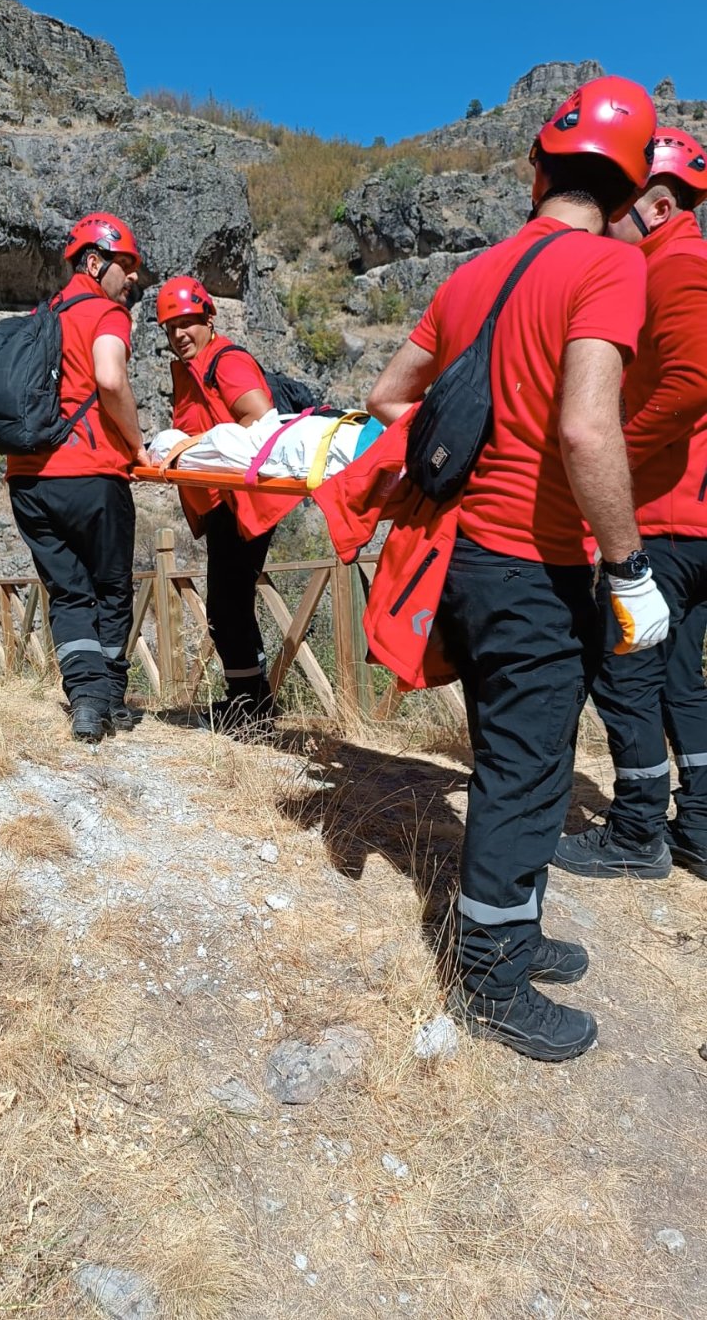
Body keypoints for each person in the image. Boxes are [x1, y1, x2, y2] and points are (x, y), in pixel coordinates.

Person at [367, 76, 669, 1062]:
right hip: (534, 569)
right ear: (628, 193)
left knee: (513, 757)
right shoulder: (611, 264)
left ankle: (514, 929)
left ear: (538, 170)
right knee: (525, 772)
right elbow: (586, 428)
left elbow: (387, 396)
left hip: (462, 559)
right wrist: (629, 568)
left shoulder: (471, 276)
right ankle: (489, 979)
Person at [554, 128, 707, 881]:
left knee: (627, 676)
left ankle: (637, 832)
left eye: (619, 206)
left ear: (660, 207)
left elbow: (692, 381)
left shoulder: (677, 266)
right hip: (691, 518)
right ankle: (700, 827)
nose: (607, 219)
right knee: (678, 675)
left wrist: (617, 453)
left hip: (671, 519)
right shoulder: (676, 263)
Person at [6, 212, 150, 744]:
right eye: (125, 264)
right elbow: (110, 379)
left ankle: (86, 703)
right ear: (93, 262)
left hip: (28, 480)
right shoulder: (106, 313)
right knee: (110, 588)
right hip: (91, 473)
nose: (132, 276)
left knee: (68, 593)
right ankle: (107, 699)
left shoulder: (38, 317)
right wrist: (136, 445)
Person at [157, 275, 294, 729]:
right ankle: (250, 704)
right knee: (229, 605)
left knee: (227, 606)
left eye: (187, 323)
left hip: (241, 503)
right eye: (171, 327)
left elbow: (261, 420)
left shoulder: (227, 362)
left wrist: (198, 447)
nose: (179, 334)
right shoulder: (193, 370)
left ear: (209, 320)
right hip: (222, 504)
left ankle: (250, 710)